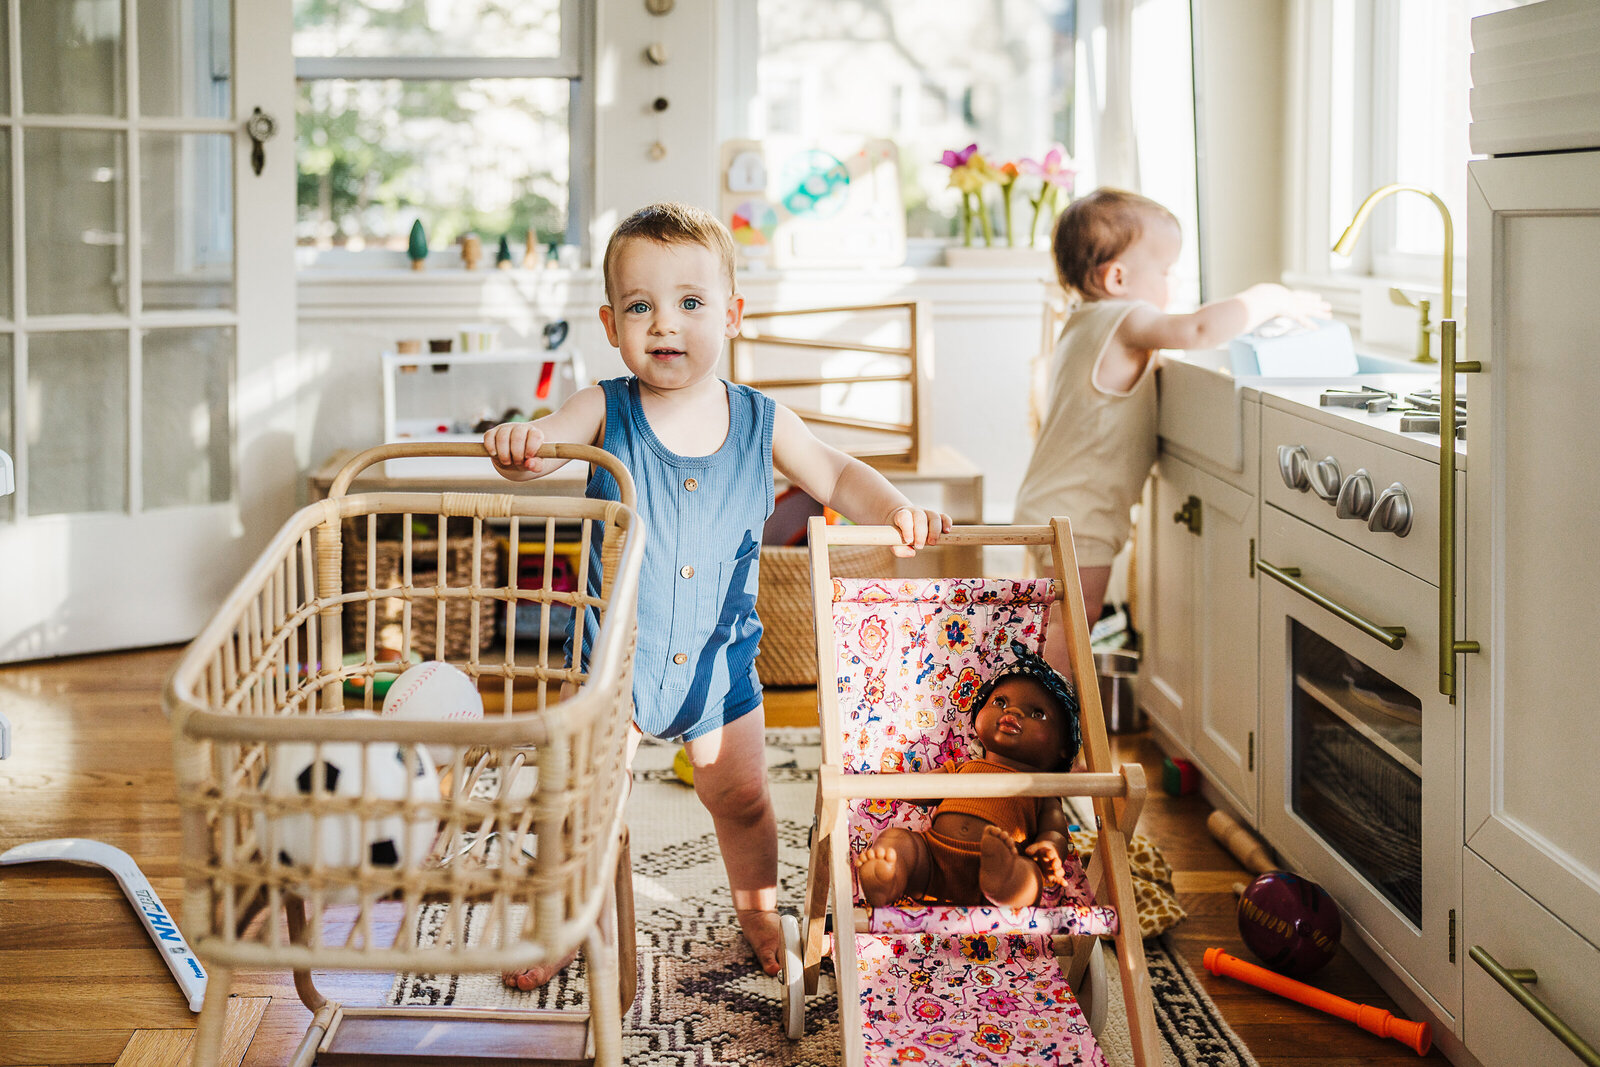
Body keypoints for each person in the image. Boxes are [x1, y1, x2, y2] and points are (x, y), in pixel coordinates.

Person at [483, 201, 952, 984]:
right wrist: (520, 447)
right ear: (611, 323)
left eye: (691, 303)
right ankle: (567, 920)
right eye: (641, 306)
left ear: (732, 314)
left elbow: (835, 473)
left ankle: (761, 912)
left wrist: (895, 509)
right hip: (615, 666)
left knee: (741, 799)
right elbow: (545, 453)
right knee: (584, 805)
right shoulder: (605, 406)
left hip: (720, 664)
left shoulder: (761, 420)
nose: (665, 323)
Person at [1013, 188, 1329, 672]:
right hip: (1079, 514)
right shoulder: (1124, 318)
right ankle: (1049, 728)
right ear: (1117, 278)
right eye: (1164, 270)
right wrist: (1268, 298)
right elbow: (1198, 331)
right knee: (1072, 622)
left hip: (1060, 502)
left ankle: (1041, 719)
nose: (1173, 280)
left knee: (1059, 620)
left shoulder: (1085, 320)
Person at [854, 643, 1081, 909]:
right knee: (899, 841)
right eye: (1000, 702)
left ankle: (1005, 879)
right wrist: (888, 783)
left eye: (1037, 714)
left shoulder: (1043, 789)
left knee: (1029, 878)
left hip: (1002, 865)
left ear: (1064, 746)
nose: (1012, 712)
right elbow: (923, 787)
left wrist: (1048, 849)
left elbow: (1056, 831)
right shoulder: (963, 768)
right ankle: (886, 878)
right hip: (933, 860)